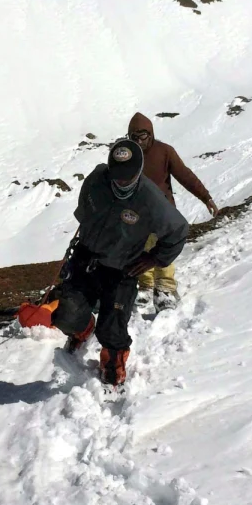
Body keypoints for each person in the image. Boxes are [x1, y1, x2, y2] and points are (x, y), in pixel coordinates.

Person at [51, 139, 189, 388]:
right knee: (66, 317)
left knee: (112, 327)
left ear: (139, 171)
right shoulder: (96, 180)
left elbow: (178, 230)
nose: (122, 181)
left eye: (129, 176)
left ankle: (113, 357)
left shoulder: (149, 198)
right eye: (117, 175)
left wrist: (154, 258)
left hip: (122, 269)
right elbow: (84, 209)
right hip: (86, 259)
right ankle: (83, 328)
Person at [125, 112, 217, 309]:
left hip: (163, 212)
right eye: (134, 137)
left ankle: (164, 288)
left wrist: (205, 197)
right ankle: (145, 286)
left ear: (151, 134)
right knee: (141, 249)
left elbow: (185, 175)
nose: (139, 141)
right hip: (136, 214)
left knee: (164, 248)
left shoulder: (165, 151)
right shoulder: (126, 155)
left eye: (143, 135)